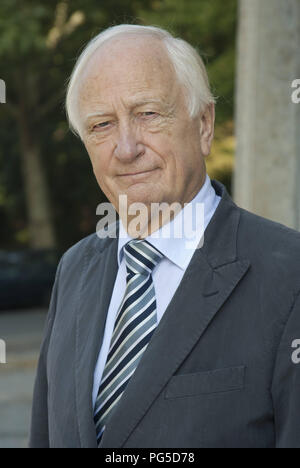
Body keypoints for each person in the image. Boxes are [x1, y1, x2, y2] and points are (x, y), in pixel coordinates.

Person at [29, 24, 300, 448]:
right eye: (101, 125)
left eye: (148, 114)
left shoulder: (289, 273)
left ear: (205, 124)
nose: (125, 147)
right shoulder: (74, 270)